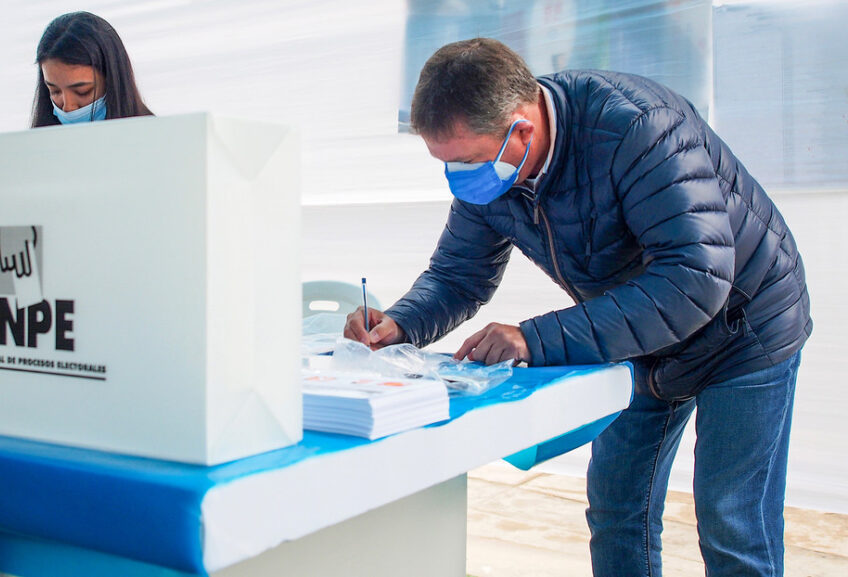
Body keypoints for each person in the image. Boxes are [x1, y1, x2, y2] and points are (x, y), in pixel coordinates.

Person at [345, 38, 811, 576]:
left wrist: (534, 339)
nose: (459, 178)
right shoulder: (493, 175)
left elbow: (692, 278)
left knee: (732, 523)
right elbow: (457, 273)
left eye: (468, 161)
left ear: (522, 129)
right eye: (446, 164)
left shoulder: (638, 129)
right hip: (636, 330)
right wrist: (400, 323)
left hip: (743, 326)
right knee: (618, 508)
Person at [31, 11, 153, 127]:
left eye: (83, 91)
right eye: (55, 91)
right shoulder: (33, 145)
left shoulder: (160, 138)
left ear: (113, 81)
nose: (68, 107)